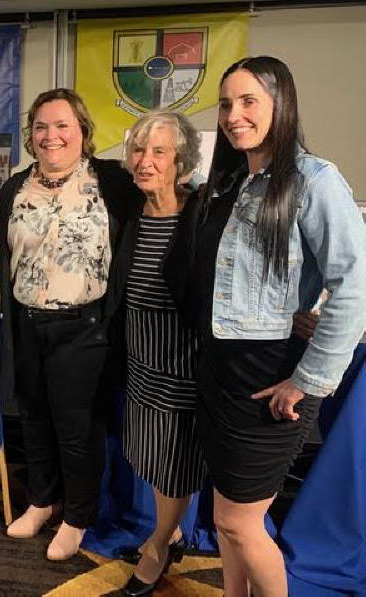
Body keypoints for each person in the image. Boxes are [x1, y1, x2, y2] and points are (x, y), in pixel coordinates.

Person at [173, 56, 366, 597]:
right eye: (226, 104)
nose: (234, 115)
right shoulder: (231, 182)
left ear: (281, 104)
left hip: (270, 381)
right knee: (226, 518)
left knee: (240, 523)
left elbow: (355, 286)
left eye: (248, 101)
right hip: (219, 373)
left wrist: (307, 382)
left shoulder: (314, 180)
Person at [0, 88, 142, 560]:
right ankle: (43, 501)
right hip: (27, 323)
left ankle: (78, 516)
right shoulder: (14, 189)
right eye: (41, 126)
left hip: (86, 328)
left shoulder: (113, 182)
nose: (51, 135)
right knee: (34, 419)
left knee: (77, 429)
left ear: (83, 131)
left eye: (62, 125)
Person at [113, 111, 204, 595]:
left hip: (183, 364)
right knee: (151, 456)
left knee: (174, 464)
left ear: (181, 162)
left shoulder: (201, 215)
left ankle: (158, 548)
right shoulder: (132, 211)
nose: (145, 161)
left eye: (159, 152)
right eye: (138, 150)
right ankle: (169, 531)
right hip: (141, 359)